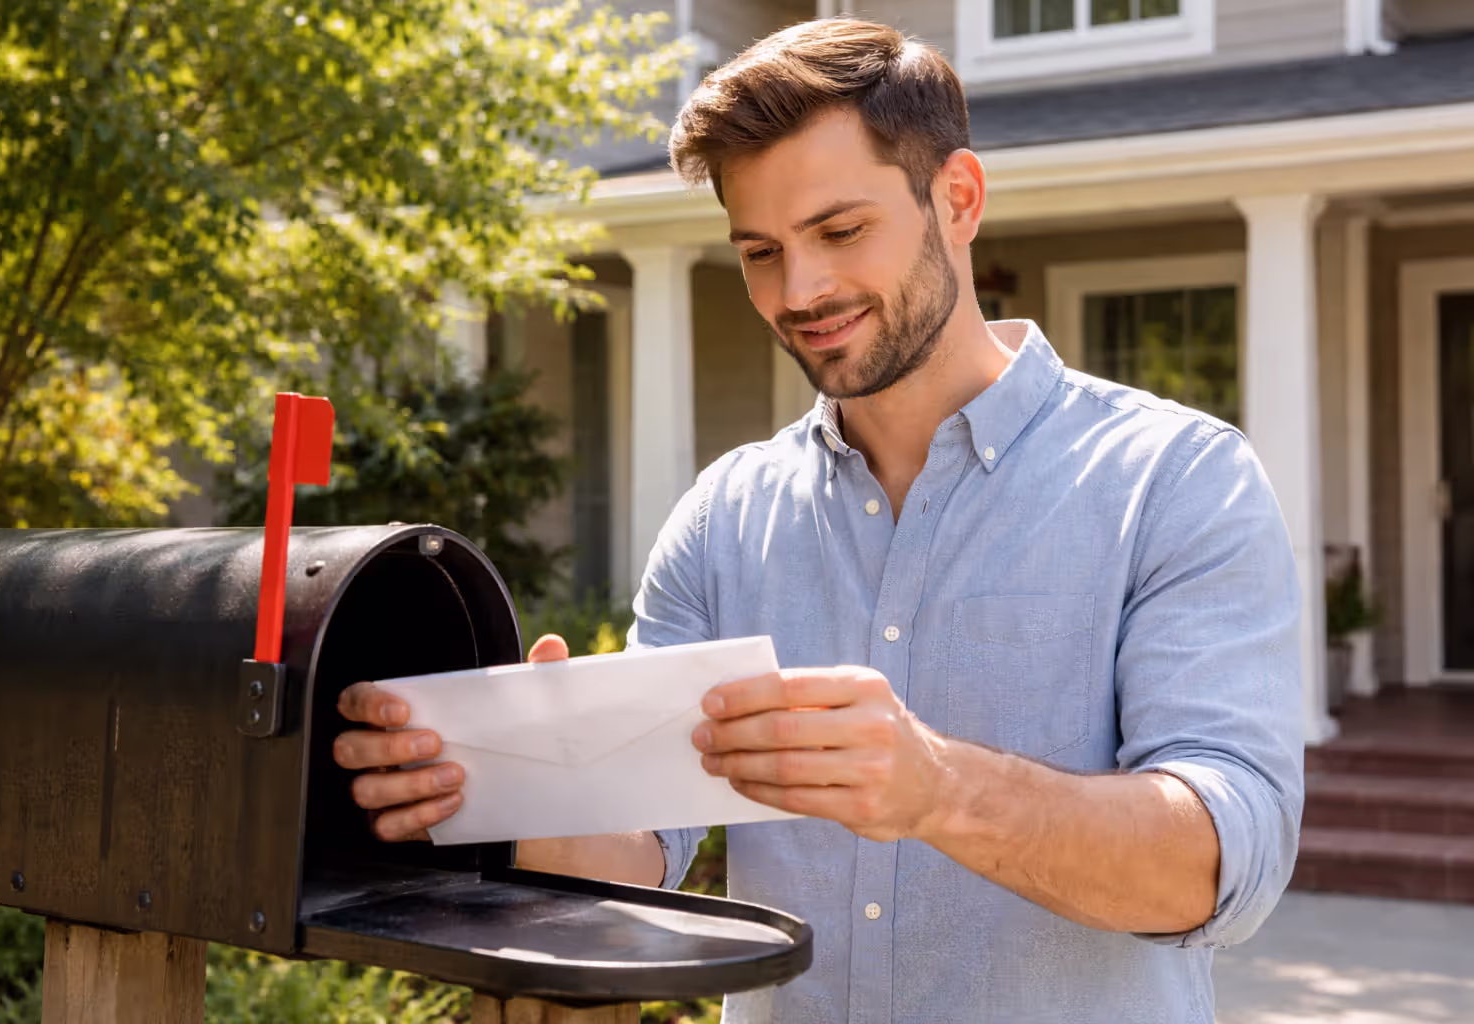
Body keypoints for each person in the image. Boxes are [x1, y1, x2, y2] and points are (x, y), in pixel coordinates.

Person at [330, 17, 1303, 1023]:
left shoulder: (1177, 480)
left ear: (957, 199)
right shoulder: (723, 519)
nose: (802, 292)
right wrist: (507, 791)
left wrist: (941, 789)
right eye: (760, 251)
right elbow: (640, 857)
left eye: (841, 232)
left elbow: (1224, 866)